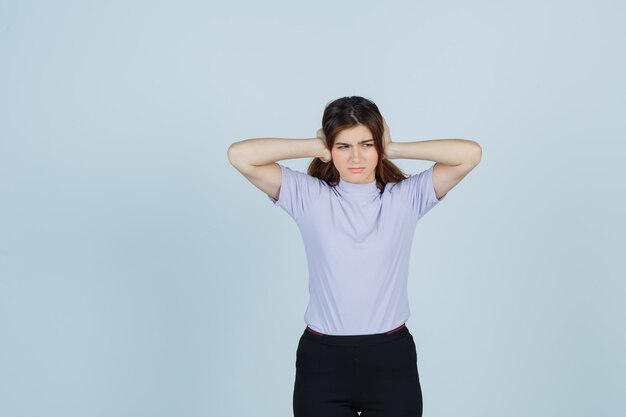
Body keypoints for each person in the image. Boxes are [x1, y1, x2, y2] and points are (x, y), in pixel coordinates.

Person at [227, 96, 482, 417]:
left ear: (379, 146)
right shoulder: (307, 196)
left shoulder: (406, 197)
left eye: (367, 144)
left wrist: (395, 147)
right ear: (330, 150)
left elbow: (470, 155)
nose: (356, 156)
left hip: (391, 360)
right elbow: (240, 156)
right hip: (323, 363)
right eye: (343, 146)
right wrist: (315, 144)